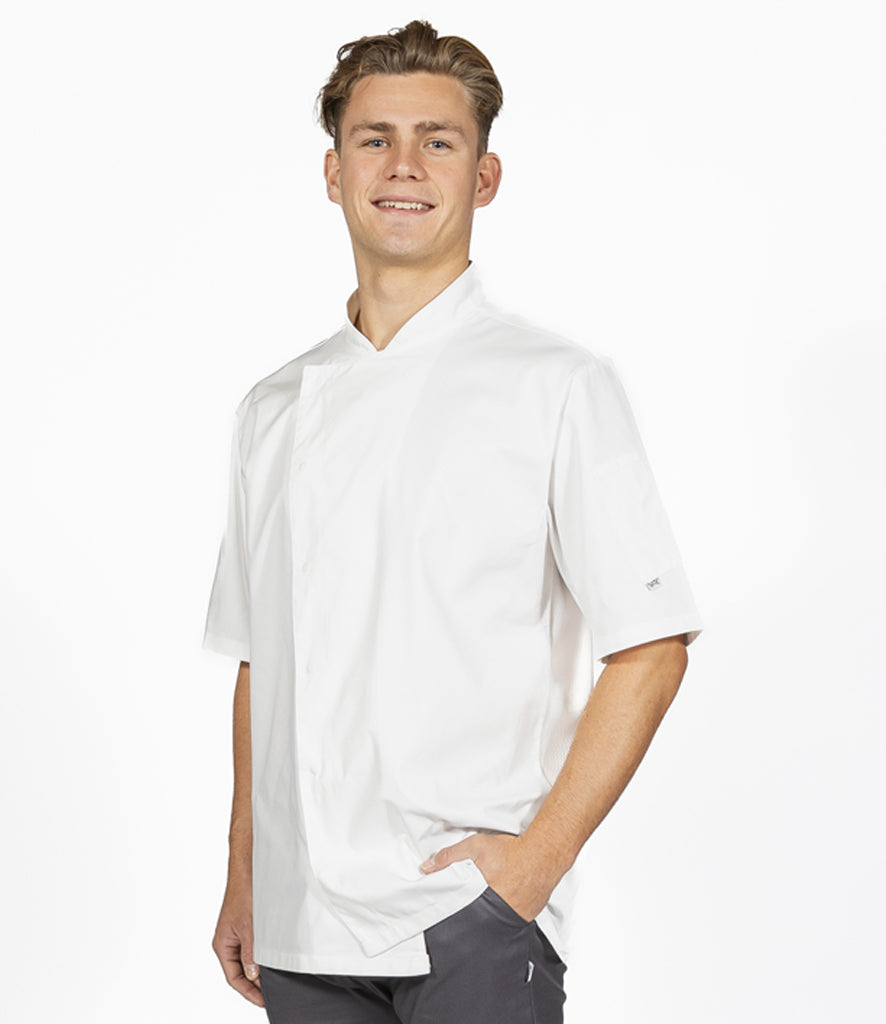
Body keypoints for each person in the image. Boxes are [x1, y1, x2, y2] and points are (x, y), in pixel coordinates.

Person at [204, 19, 702, 1024]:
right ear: (334, 171)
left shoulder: (556, 385)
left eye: (437, 140)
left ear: (484, 177)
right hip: (301, 928)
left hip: (465, 917)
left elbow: (650, 646)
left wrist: (533, 868)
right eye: (374, 138)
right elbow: (263, 658)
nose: (403, 165)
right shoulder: (274, 405)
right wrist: (245, 872)